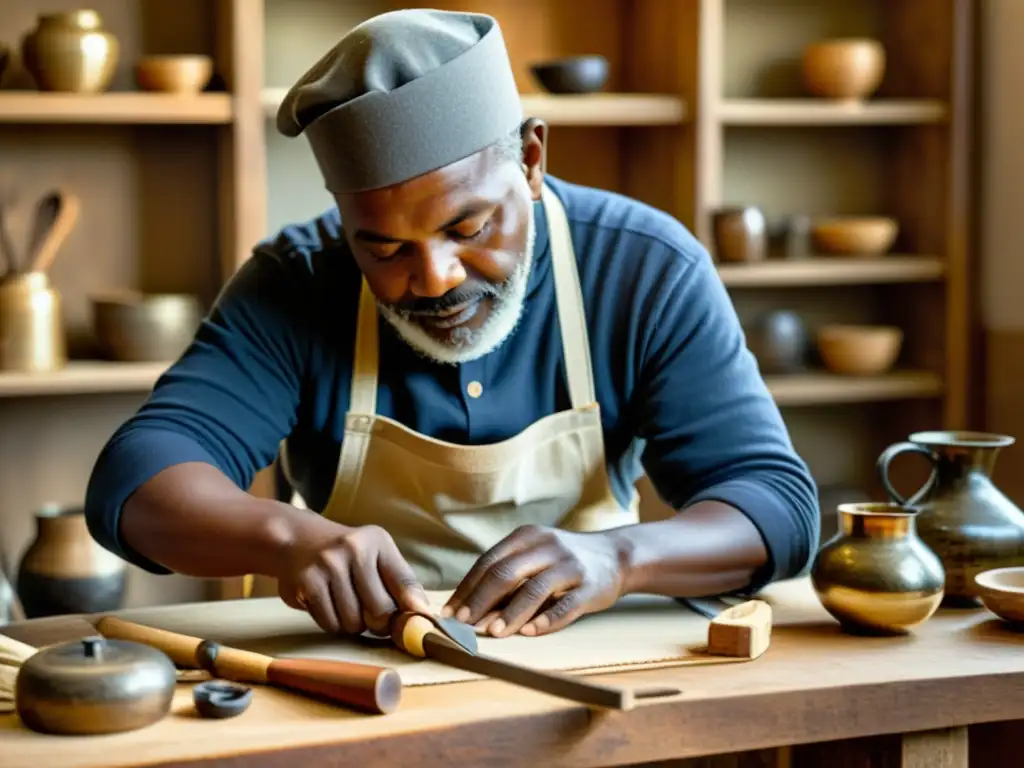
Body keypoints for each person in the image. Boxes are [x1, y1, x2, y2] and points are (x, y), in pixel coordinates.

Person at [84, 9, 819, 640]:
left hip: (593, 668)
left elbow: (775, 505)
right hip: (364, 682)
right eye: (385, 246)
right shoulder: (298, 284)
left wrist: (619, 559)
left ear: (531, 160)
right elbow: (136, 478)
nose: (434, 278)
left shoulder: (644, 269)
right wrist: (287, 538)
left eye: (469, 227)